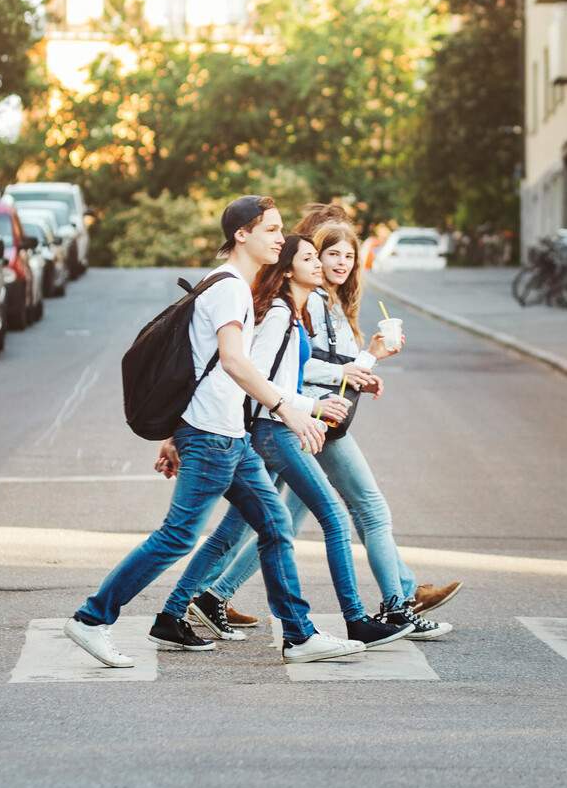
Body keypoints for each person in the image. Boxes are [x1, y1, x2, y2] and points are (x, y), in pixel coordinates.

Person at [61, 196, 365, 668]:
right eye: (272, 229)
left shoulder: (231, 286)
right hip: (212, 437)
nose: (281, 239)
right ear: (242, 234)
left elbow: (203, 368)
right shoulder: (228, 289)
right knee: (178, 536)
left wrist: (173, 433)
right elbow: (234, 361)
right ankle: (91, 618)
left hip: (231, 436)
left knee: (275, 525)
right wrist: (290, 408)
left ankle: (299, 635)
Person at [188, 206, 460, 639]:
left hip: (311, 422)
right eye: (326, 255)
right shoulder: (300, 303)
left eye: (347, 257)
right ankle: (393, 605)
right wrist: (336, 382)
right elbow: (289, 364)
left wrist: (367, 361)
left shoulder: (328, 301)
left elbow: (335, 364)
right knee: (362, 509)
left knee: (272, 520)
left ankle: (208, 597)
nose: (336, 263)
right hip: (303, 420)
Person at [158, 236, 411, 650]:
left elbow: (288, 371)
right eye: (311, 258)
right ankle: (354, 620)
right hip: (272, 432)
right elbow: (255, 376)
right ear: (290, 270)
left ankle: (174, 611)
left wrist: (328, 391)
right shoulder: (278, 313)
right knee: (331, 517)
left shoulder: (291, 314)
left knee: (243, 527)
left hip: (270, 429)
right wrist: (308, 408)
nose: (322, 265)